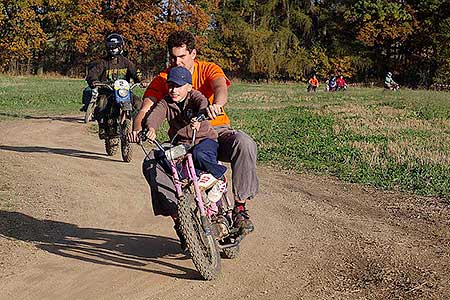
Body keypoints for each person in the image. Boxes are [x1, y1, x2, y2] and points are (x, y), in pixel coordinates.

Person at [129, 30, 258, 246]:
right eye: (173, 57)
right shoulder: (164, 79)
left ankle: (240, 208)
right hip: (182, 139)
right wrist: (137, 128)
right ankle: (181, 221)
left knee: (243, 142)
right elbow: (146, 110)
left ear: (193, 53)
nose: (177, 62)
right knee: (151, 163)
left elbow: (220, 88)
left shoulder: (208, 68)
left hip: (215, 130)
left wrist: (216, 105)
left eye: (182, 56)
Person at [144, 66, 228, 251]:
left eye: (179, 86)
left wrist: (202, 115)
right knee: (160, 160)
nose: (174, 90)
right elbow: (155, 115)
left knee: (199, 154)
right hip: (180, 144)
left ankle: (219, 177)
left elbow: (203, 104)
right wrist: (151, 128)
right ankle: (181, 216)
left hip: (204, 140)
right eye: (171, 85)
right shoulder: (166, 102)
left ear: (189, 86)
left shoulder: (195, 96)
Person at [84, 33, 144, 138]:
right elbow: (92, 74)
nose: (113, 50)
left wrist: (142, 80)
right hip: (107, 92)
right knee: (101, 104)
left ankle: (138, 128)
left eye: (116, 47)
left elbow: (136, 72)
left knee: (138, 103)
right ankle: (103, 126)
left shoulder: (126, 62)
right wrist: (94, 81)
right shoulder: (102, 62)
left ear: (121, 47)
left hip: (124, 92)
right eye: (111, 47)